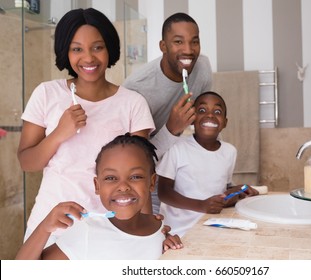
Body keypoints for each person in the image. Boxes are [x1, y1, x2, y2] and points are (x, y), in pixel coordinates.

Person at [17, 8, 155, 247]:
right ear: (65, 52)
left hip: (110, 228)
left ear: (109, 48)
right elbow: (27, 162)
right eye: (77, 48)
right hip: (52, 225)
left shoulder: (133, 103)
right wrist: (60, 133)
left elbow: (140, 178)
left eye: (98, 47)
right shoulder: (46, 93)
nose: (89, 58)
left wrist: (149, 232)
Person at [16, 134, 183, 260]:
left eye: (135, 177)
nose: (123, 186)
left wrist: (172, 256)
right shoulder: (87, 231)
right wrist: (44, 228)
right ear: (97, 186)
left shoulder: (160, 229)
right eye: (111, 178)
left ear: (152, 182)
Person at [122, 12, 213, 213]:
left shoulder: (203, 67)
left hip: (184, 171)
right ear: (163, 46)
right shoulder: (137, 88)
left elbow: (207, 124)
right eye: (178, 42)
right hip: (148, 179)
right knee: (154, 237)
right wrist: (172, 128)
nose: (188, 50)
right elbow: (132, 159)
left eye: (194, 42)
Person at [156, 91, 259, 237]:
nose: (210, 115)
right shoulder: (177, 148)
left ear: (225, 122)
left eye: (217, 111)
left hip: (213, 226)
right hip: (178, 232)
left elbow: (223, 187)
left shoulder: (229, 151)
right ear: (192, 119)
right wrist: (201, 205)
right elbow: (164, 193)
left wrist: (239, 191)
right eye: (202, 110)